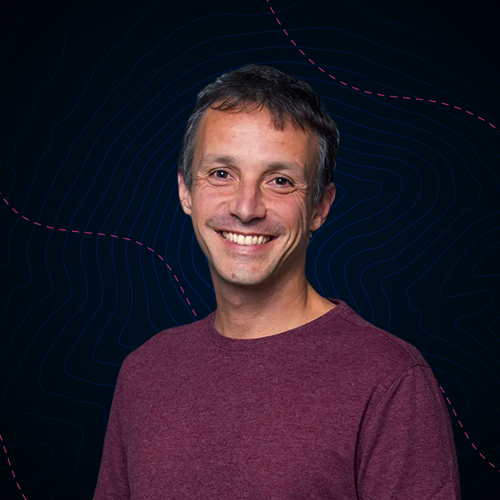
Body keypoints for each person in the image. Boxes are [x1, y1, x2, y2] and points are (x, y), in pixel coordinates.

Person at [93, 64, 461, 499]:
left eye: (280, 181)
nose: (246, 208)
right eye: (222, 173)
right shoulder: (144, 373)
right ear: (185, 190)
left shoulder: (390, 379)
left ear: (320, 207)